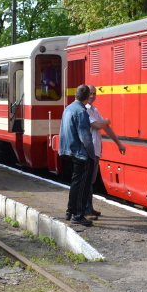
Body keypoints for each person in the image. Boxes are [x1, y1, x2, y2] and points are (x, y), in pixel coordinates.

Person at [81, 89, 125, 220]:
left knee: (91, 181)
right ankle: (85, 209)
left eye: (94, 93)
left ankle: (89, 207)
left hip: (96, 150)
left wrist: (119, 143)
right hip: (88, 150)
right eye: (90, 93)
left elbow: (106, 127)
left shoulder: (94, 109)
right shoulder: (85, 109)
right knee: (87, 181)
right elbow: (98, 125)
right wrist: (106, 120)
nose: (92, 96)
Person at [58, 84, 96, 227]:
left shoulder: (68, 109)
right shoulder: (81, 112)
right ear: (87, 97)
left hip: (68, 150)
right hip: (80, 153)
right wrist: (91, 154)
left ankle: (70, 211)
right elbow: (85, 136)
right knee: (82, 185)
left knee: (75, 183)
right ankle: (78, 215)